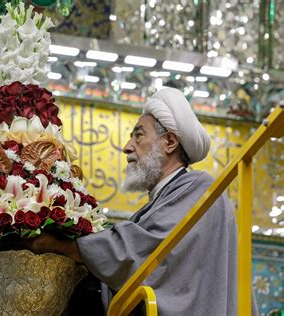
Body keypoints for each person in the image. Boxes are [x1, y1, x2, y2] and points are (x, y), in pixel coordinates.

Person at [25, 87, 258, 315]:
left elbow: (140, 251)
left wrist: (58, 245)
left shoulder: (200, 188)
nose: (127, 147)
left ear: (169, 142)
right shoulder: (164, 199)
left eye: (139, 135)